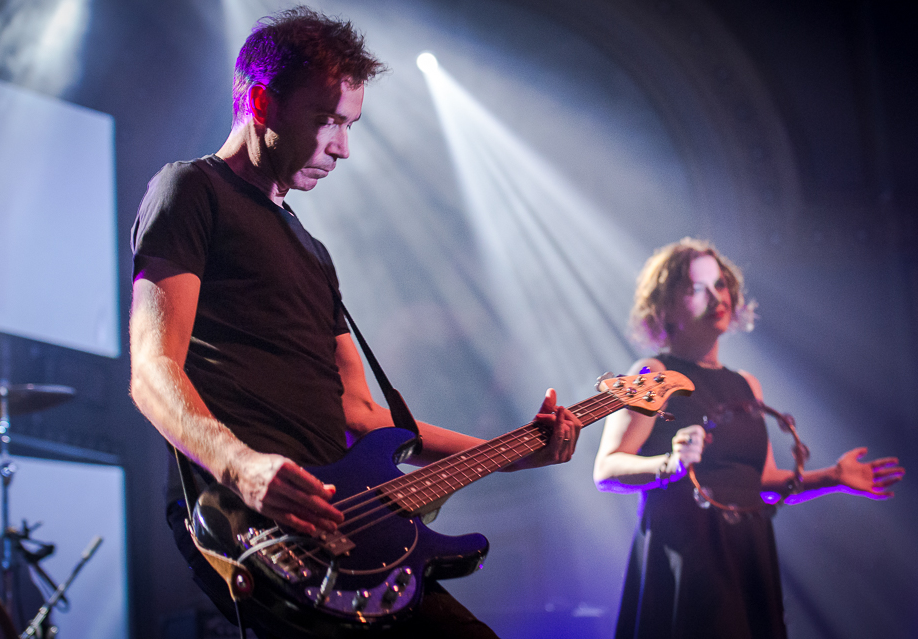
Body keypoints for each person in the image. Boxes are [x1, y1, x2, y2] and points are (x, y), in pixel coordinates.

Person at [128, 7, 582, 638]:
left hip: (345, 525)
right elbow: (152, 371)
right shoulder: (190, 191)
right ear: (262, 103)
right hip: (254, 528)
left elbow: (367, 419)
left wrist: (518, 451)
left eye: (351, 124)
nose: (343, 146)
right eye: (329, 121)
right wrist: (240, 466)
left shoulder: (315, 253)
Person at [592, 237, 905, 639]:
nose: (715, 296)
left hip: (746, 552)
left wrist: (833, 476)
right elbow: (606, 468)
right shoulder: (652, 372)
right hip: (687, 555)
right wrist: (668, 465)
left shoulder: (747, 385)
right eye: (695, 287)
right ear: (666, 306)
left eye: (720, 284)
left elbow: (761, 481)